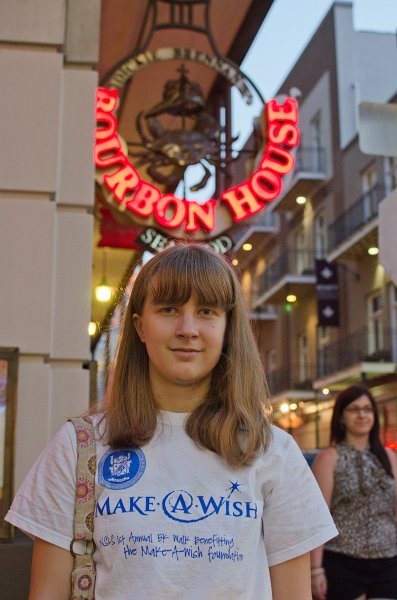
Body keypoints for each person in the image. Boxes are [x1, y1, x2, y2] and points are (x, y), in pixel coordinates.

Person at [6, 243, 337, 600]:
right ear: (139, 326)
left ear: (228, 327)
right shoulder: (79, 446)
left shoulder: (274, 452)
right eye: (168, 309)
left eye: (207, 311)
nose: (188, 328)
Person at [311, 384, 397, 600]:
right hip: (342, 561)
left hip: (387, 559)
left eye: (367, 409)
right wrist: (315, 569)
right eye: (354, 409)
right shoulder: (329, 458)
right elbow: (318, 517)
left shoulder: (389, 458)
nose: (362, 415)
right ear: (341, 416)